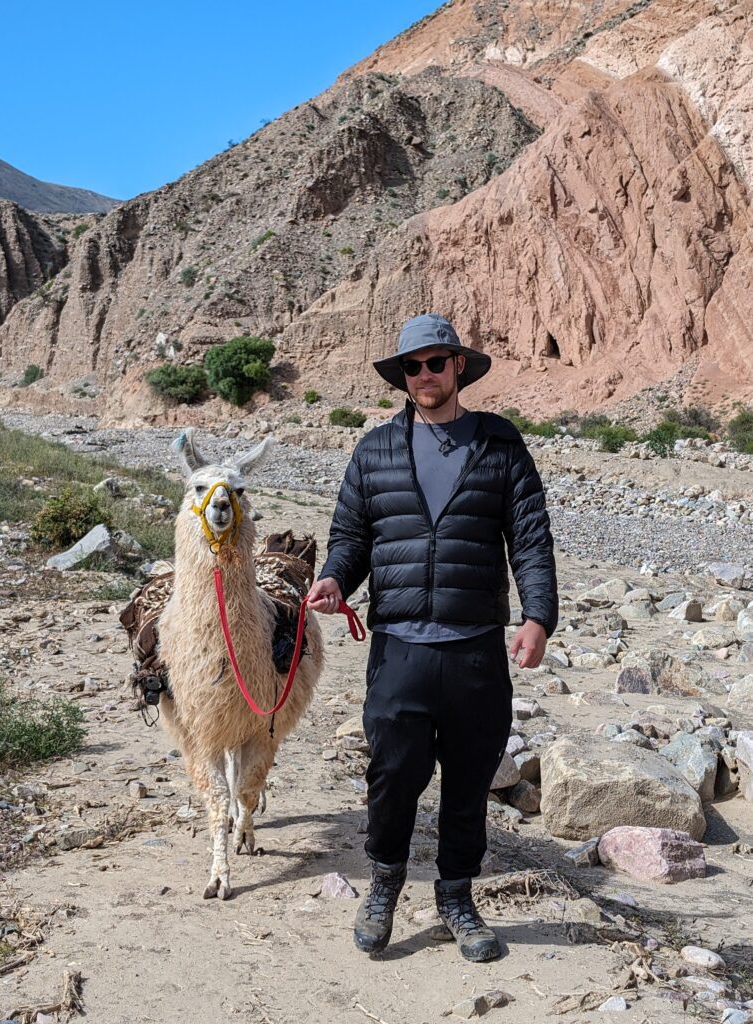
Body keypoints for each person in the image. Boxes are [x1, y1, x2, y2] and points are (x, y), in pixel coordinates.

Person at [308, 313, 558, 962]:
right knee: (392, 773)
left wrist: (537, 616)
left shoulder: (500, 444)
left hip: (475, 648)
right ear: (402, 376)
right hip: (399, 647)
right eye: (412, 366)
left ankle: (455, 898)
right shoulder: (374, 450)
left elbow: (529, 538)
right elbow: (351, 538)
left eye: (435, 363)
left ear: (457, 367)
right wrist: (335, 578)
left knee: (469, 781)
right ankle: (384, 884)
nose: (425, 375)